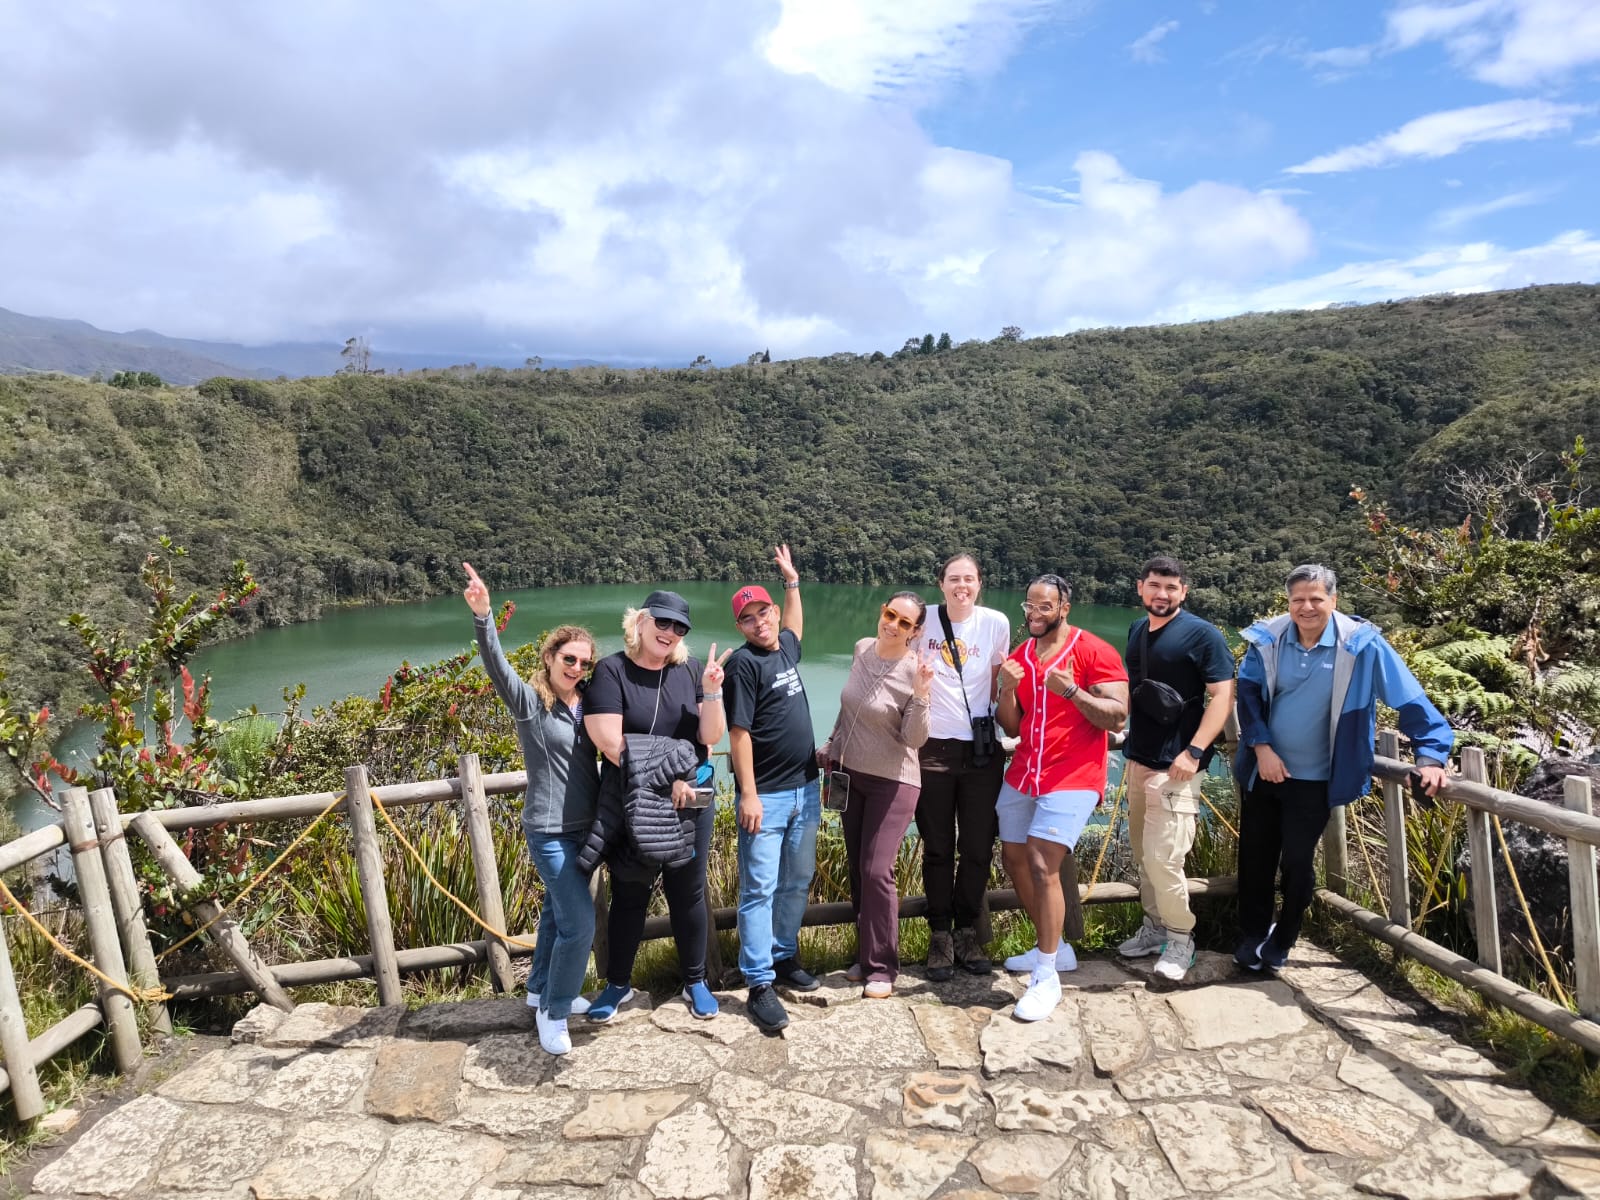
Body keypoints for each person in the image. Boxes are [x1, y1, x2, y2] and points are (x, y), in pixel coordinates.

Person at [1233, 564, 1453, 972]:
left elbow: (1411, 701)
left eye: (1317, 598)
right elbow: (1246, 693)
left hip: (1315, 779)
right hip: (1263, 772)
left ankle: (1282, 939)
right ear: (1288, 602)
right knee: (1255, 860)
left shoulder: (1362, 646)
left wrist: (1430, 757)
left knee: (1298, 863)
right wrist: (1261, 747)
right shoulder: (1269, 638)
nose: (1307, 607)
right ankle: (1252, 936)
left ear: (1334, 601)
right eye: (1298, 599)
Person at [462, 564, 599, 1056]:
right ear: (550, 656)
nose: (577, 668)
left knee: (555, 916)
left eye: (584, 662)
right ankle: (554, 1013)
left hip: (587, 830)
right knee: (580, 924)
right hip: (548, 830)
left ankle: (539, 989)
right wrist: (484, 616)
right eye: (569, 658)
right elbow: (496, 665)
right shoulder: (530, 703)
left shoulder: (591, 703)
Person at [583, 591, 732, 1021]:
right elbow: (611, 743)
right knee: (631, 892)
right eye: (662, 624)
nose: (669, 633)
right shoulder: (612, 671)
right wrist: (671, 778)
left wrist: (712, 693)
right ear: (641, 622)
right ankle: (617, 985)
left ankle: (696, 980)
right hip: (635, 803)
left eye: (679, 628)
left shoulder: (689, 673)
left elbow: (709, 738)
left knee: (688, 893)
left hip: (691, 804)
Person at [995, 574, 1128, 1021]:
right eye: (1029, 607)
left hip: (1074, 775)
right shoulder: (1021, 656)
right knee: (1013, 857)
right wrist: (1007, 687)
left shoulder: (1093, 650)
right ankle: (1053, 947)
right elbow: (1011, 726)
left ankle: (1047, 976)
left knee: (1041, 860)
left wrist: (1072, 690)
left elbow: (1117, 714)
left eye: (1044, 607)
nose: (1034, 614)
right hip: (1024, 771)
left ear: (1064, 608)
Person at [1115, 556, 1235, 983]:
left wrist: (1195, 751)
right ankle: (1153, 927)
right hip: (1139, 758)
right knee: (1144, 855)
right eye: (1154, 586)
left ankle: (1181, 937)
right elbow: (1137, 691)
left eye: (1170, 587)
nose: (1161, 594)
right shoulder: (1137, 630)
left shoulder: (1204, 635)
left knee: (1165, 858)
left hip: (1178, 767)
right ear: (1140, 587)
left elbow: (1222, 696)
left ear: (1183, 591)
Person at [818, 592, 934, 998]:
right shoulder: (862, 649)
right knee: (857, 868)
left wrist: (921, 694)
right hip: (851, 775)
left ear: (916, 632)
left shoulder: (915, 669)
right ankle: (867, 956)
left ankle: (884, 967)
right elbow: (850, 708)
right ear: (881, 612)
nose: (893, 625)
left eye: (905, 623)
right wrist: (832, 746)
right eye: (890, 615)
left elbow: (915, 739)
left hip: (894, 782)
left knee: (876, 871)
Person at [725, 544, 820, 1032]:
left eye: (764, 613)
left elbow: (796, 627)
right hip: (770, 795)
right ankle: (759, 982)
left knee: (798, 880)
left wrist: (792, 581)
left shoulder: (784, 647)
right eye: (749, 618)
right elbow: (737, 734)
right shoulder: (743, 666)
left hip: (807, 789)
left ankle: (784, 956)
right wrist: (749, 793)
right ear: (740, 627)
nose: (759, 623)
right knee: (760, 887)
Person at [917, 552, 1009, 980]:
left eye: (969, 579)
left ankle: (967, 929)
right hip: (931, 748)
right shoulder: (923, 620)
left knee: (976, 846)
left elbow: (996, 681)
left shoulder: (996, 623)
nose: (962, 587)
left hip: (979, 750)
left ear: (979, 584)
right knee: (937, 847)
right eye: (954, 579)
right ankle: (939, 935)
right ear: (941, 584)